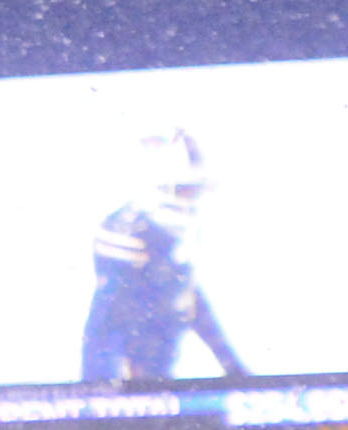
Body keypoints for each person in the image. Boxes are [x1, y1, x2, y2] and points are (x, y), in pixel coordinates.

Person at [81, 130, 249, 388]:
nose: (189, 202)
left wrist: (235, 371)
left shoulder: (172, 262)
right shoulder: (127, 246)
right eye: (183, 191)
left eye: (193, 192)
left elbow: (189, 299)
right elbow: (106, 325)